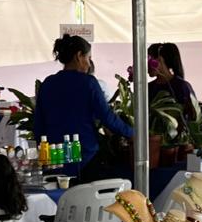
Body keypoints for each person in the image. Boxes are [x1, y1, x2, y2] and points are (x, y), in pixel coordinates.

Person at [35, 34, 134, 178]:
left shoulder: (47, 84)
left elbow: (39, 125)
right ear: (78, 56)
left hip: (54, 160)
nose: (89, 64)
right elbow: (107, 117)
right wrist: (132, 133)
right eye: (88, 58)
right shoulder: (88, 83)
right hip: (85, 158)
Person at [149, 43, 199, 119]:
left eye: (149, 60)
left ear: (160, 59)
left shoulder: (181, 86)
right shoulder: (148, 87)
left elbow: (192, 115)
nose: (146, 65)